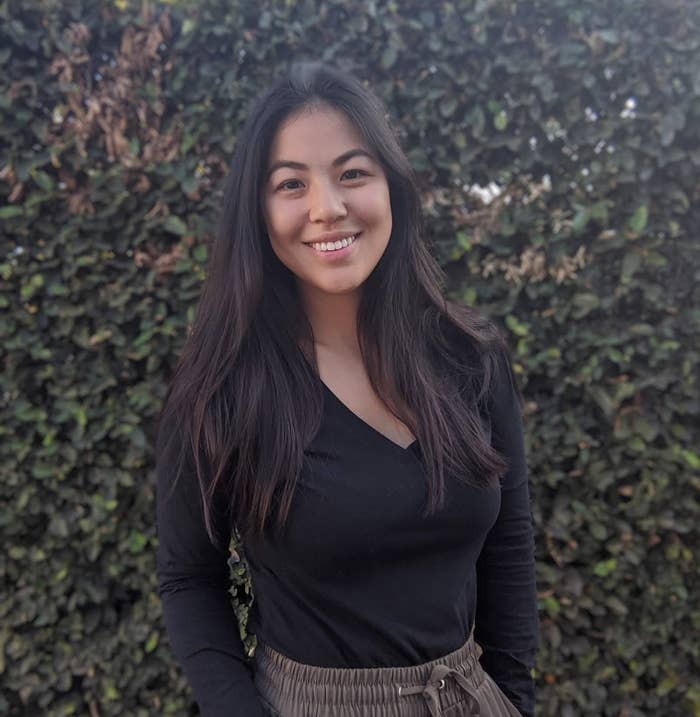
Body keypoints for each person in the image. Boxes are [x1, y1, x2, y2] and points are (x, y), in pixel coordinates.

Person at [155, 60, 539, 717]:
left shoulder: (471, 359)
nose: (326, 208)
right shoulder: (222, 390)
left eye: (352, 173)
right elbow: (190, 575)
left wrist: (515, 698)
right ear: (258, 208)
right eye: (290, 183)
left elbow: (509, 545)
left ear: (391, 186)